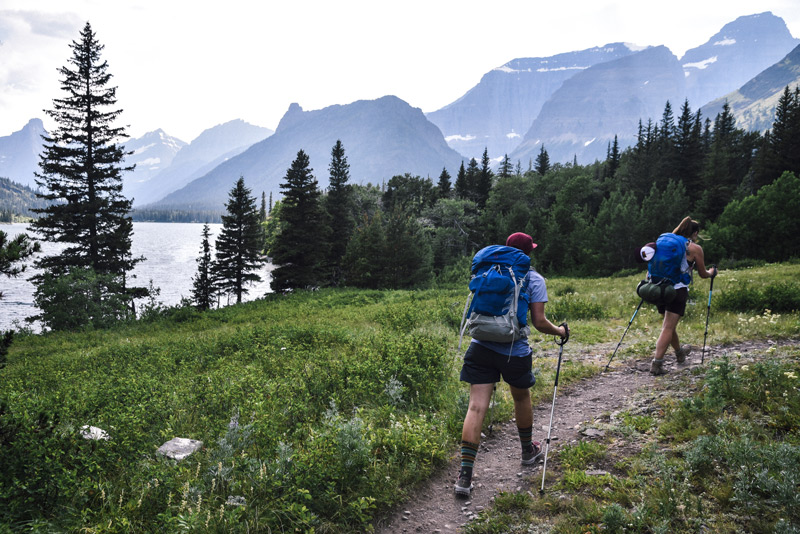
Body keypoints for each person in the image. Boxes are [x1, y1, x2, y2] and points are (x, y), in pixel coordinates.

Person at [455, 232, 569, 497]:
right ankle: (528, 451)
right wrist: (561, 332)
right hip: (514, 351)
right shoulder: (534, 278)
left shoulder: (488, 270)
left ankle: (464, 476)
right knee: (521, 398)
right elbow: (540, 323)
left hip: (480, 345)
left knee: (475, 406)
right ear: (527, 253)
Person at [650, 217, 717, 376]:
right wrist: (711, 273)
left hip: (659, 288)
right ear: (694, 233)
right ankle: (656, 364)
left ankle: (680, 353)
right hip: (677, 290)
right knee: (668, 327)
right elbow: (702, 274)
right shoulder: (694, 248)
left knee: (668, 326)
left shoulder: (664, 240)